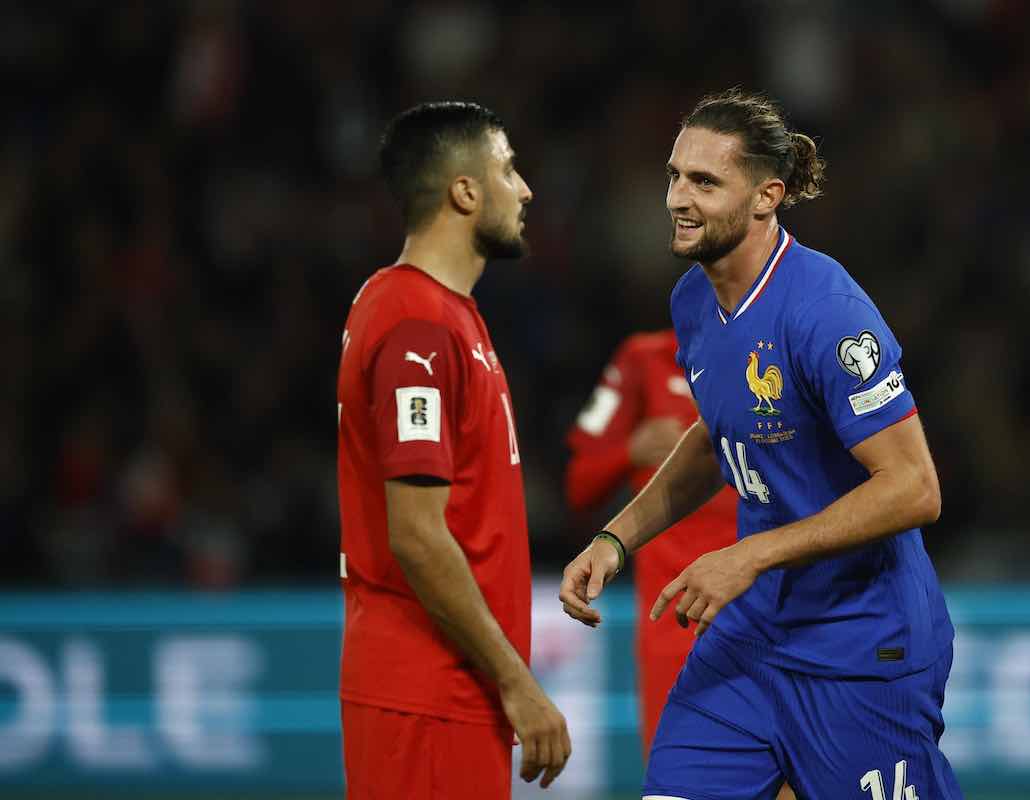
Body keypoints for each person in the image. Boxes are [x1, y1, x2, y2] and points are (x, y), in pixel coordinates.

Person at [560, 88, 962, 800]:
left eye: (705, 182)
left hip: (861, 645)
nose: (678, 199)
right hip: (752, 643)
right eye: (674, 176)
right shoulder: (692, 301)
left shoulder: (827, 312)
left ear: (766, 197)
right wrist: (616, 540)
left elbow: (915, 487)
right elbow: (715, 438)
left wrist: (748, 555)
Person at [337, 101, 570, 799]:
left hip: (446, 696)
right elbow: (416, 534)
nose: (525, 189)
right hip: (426, 696)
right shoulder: (418, 325)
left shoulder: (440, 313)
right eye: (508, 169)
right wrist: (517, 681)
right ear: (464, 192)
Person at [565, 330, 739, 754]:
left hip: (764, 612)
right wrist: (630, 451)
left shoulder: (774, 352)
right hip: (673, 623)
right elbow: (579, 485)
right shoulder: (644, 359)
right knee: (676, 775)